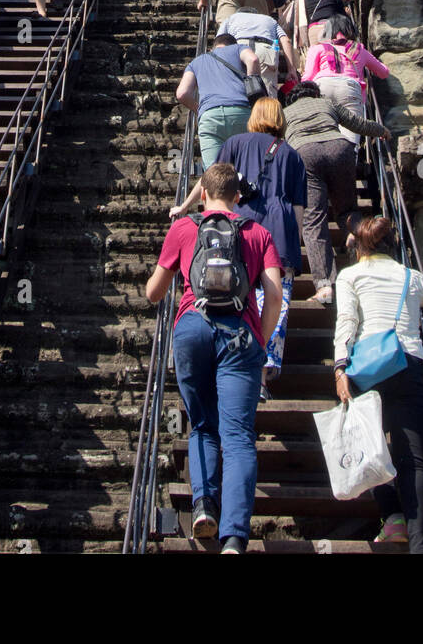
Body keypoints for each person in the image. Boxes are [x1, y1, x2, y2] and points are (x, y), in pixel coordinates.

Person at [146, 162, 283, 554]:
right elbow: (273, 295)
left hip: (192, 327)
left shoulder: (185, 228)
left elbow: (155, 292)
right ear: (238, 198)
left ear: (202, 194)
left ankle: (204, 506)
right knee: (238, 436)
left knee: (203, 424)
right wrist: (261, 337)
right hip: (240, 334)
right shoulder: (258, 233)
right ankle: (235, 538)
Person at [334, 215, 423, 553]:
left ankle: (392, 516)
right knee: (415, 460)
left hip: (366, 371)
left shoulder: (350, 276)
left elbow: (347, 323)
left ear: (360, 247)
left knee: (366, 449)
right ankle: (420, 545)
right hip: (408, 365)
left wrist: (339, 369)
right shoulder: (412, 277)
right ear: (393, 246)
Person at [174, 100, 305, 399]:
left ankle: (229, 367)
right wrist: (293, 243)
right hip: (280, 231)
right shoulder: (293, 156)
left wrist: (185, 207)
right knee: (276, 303)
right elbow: (298, 210)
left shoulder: (234, 143)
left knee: (240, 296)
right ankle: (259, 375)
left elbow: (211, 180)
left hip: (242, 229)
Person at [281, 82, 390, 303]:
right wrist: (382, 130)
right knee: (348, 210)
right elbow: (356, 123)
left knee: (314, 220)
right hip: (339, 149)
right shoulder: (326, 103)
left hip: (304, 153)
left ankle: (324, 286)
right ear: (314, 93)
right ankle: (365, 255)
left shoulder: (285, 112)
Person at [175, 33, 262, 168]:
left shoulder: (196, 62)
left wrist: (200, 109)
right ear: (233, 44)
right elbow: (253, 60)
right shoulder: (238, 48)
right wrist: (252, 89)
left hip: (210, 118)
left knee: (215, 173)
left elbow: (181, 93)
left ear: (212, 48)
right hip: (241, 112)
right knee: (247, 169)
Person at [302, 15, 389, 142]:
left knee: (323, 137)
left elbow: (308, 77)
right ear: (349, 29)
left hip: (322, 86)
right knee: (350, 140)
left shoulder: (318, 48)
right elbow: (384, 72)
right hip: (350, 89)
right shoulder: (359, 50)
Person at [219, 8, 298, 98]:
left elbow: (220, 42)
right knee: (266, 97)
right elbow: (285, 40)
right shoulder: (269, 20)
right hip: (265, 49)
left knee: (238, 93)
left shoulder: (231, 18)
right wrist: (292, 69)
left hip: (239, 48)